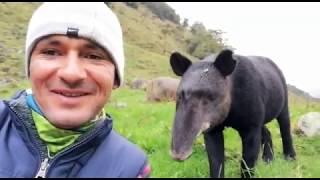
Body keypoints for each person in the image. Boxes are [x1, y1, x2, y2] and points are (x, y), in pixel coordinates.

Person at [0, 2, 151, 178]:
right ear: (30, 68)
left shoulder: (131, 169)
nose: (71, 74)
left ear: (116, 78)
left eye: (93, 56)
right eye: (51, 52)